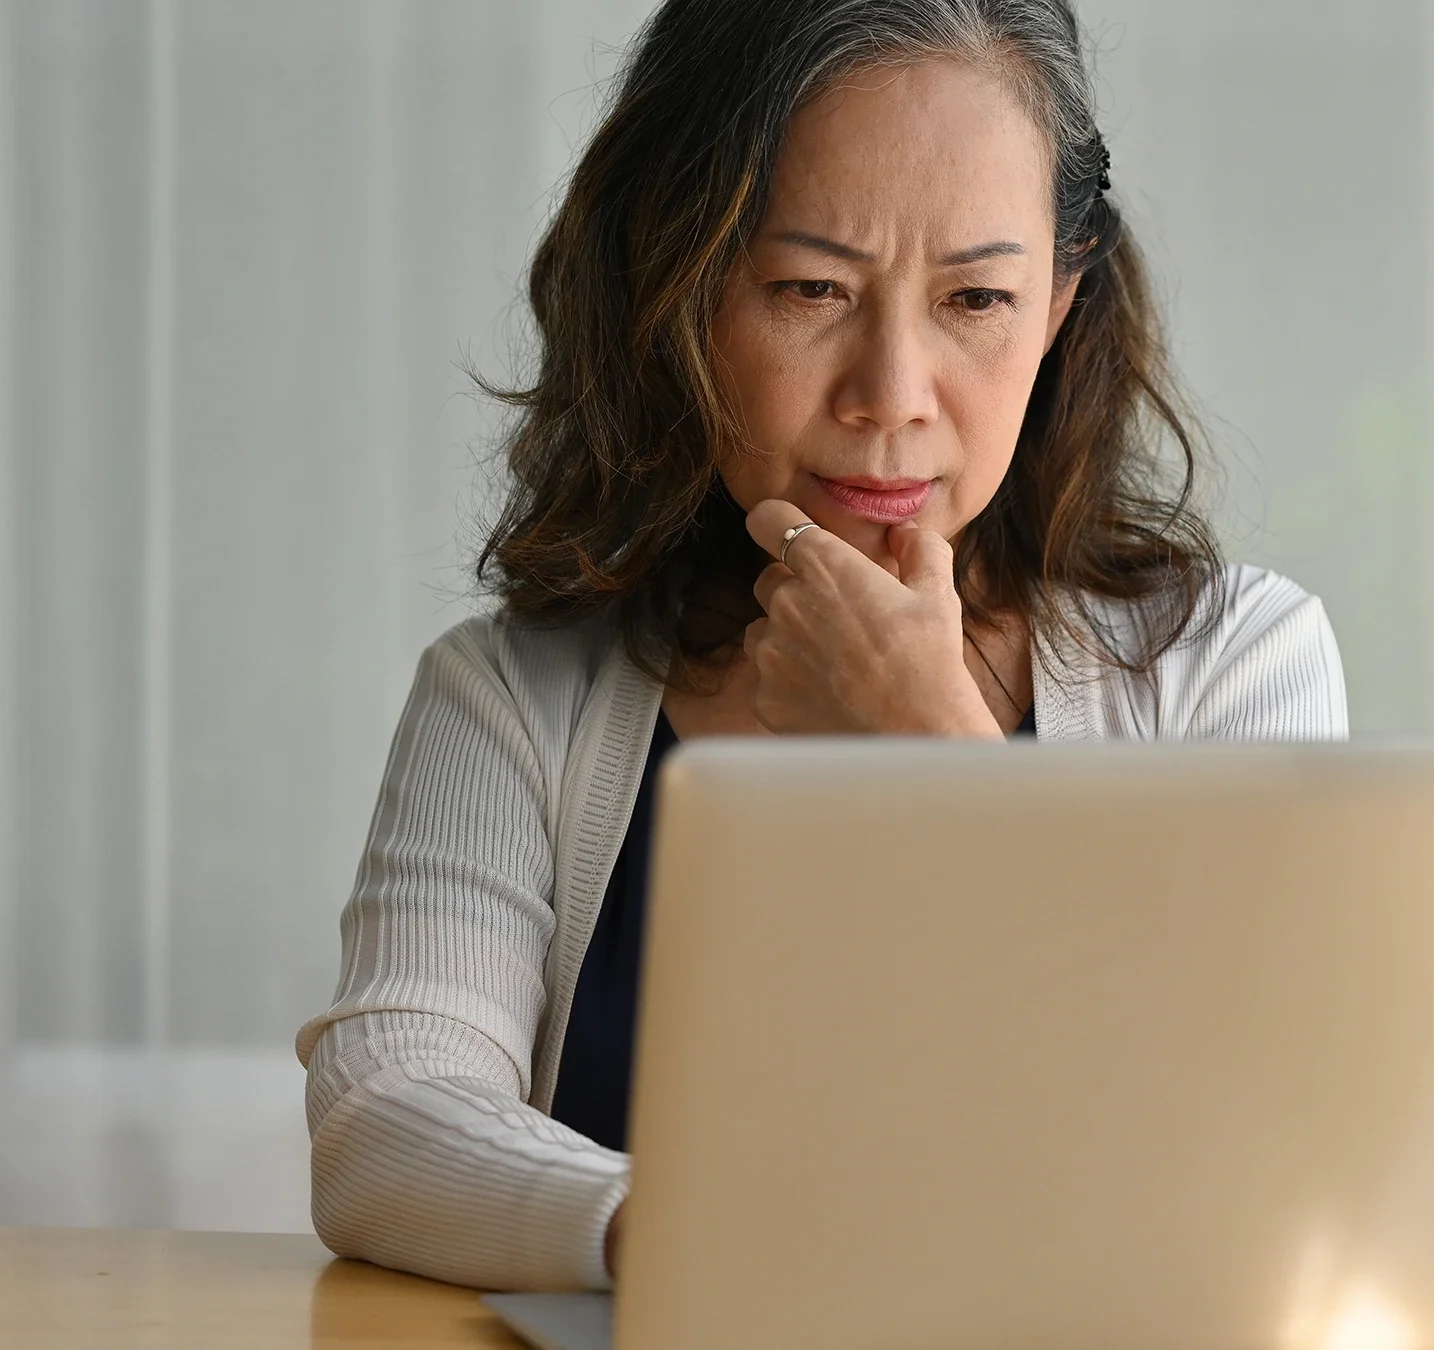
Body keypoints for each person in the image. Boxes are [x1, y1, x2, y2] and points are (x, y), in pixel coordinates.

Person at [293, 0, 1346, 1293]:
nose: (892, 391)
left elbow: (1248, 1154)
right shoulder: (512, 696)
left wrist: (936, 749)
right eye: (812, 288)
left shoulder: (1232, 664)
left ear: (1062, 302)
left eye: (977, 297)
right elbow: (380, 1122)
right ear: (680, 286)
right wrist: (703, 1237)